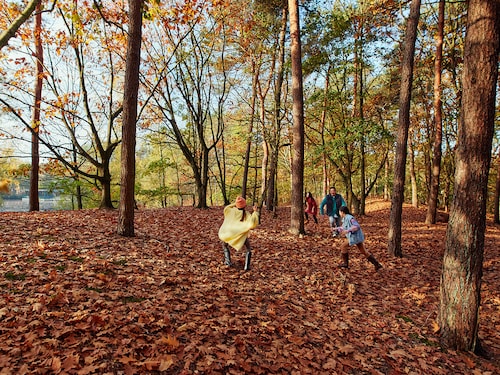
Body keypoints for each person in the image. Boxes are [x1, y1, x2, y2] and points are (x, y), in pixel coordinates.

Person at [333, 206, 382, 271]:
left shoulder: (350, 218)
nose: (339, 213)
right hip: (356, 237)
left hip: (355, 237)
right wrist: (336, 229)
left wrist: (348, 231)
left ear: (342, 212)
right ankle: (377, 264)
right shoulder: (345, 218)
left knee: (343, 246)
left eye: (339, 212)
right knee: (363, 251)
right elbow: (344, 227)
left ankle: (345, 264)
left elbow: (356, 226)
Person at [218, 196, 259, 271]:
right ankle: (247, 266)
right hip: (240, 235)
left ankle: (228, 262)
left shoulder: (230, 210)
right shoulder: (246, 214)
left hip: (227, 234)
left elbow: (226, 208)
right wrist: (255, 212)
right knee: (248, 249)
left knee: (225, 245)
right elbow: (252, 223)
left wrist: (236, 203)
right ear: (244, 206)